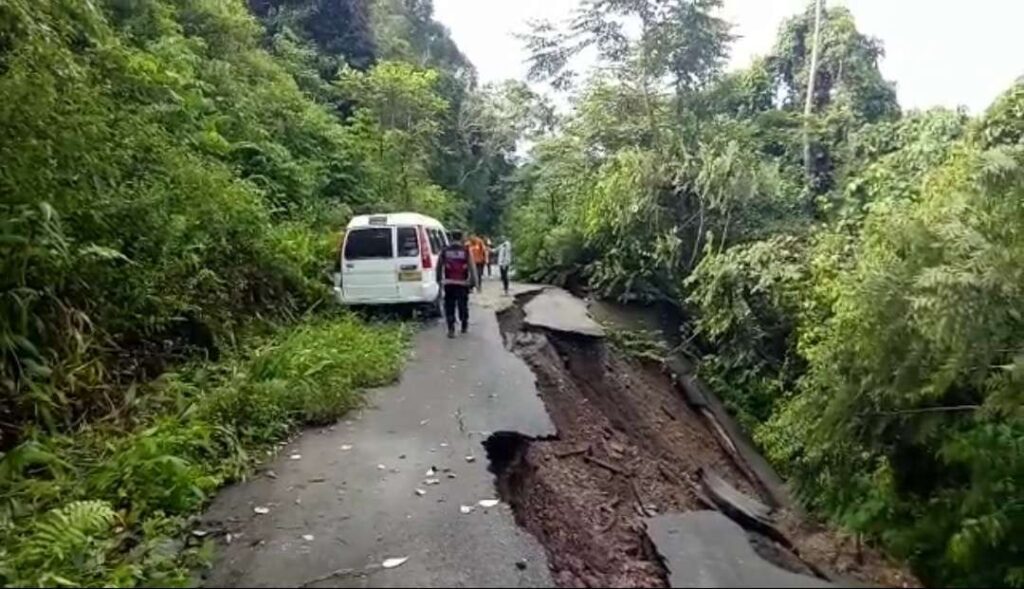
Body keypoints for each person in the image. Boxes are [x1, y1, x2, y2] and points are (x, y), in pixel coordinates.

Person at [436, 230, 478, 338]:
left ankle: (451, 329)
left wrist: (439, 280)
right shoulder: (465, 250)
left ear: (451, 238)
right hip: (462, 284)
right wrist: (473, 282)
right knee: (462, 305)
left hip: (449, 283)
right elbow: (472, 267)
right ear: (461, 238)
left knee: (449, 305)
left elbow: (439, 266)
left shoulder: (445, 250)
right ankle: (464, 324)